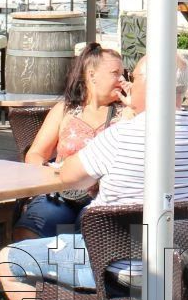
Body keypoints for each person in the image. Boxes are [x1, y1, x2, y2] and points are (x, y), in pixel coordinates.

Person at [0, 52, 188, 300]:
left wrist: (131, 114)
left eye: (133, 78)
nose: (127, 84)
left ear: (150, 84)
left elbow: (68, 176)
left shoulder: (121, 135)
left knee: (8, 260)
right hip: (174, 263)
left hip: (112, 265)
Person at [13, 45, 130, 238]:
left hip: (104, 198)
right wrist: (49, 171)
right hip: (61, 195)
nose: (122, 80)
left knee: (87, 230)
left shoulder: (126, 114)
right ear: (92, 75)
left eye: (123, 74)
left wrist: (133, 108)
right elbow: (35, 154)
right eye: (115, 73)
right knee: (30, 229)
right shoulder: (66, 110)